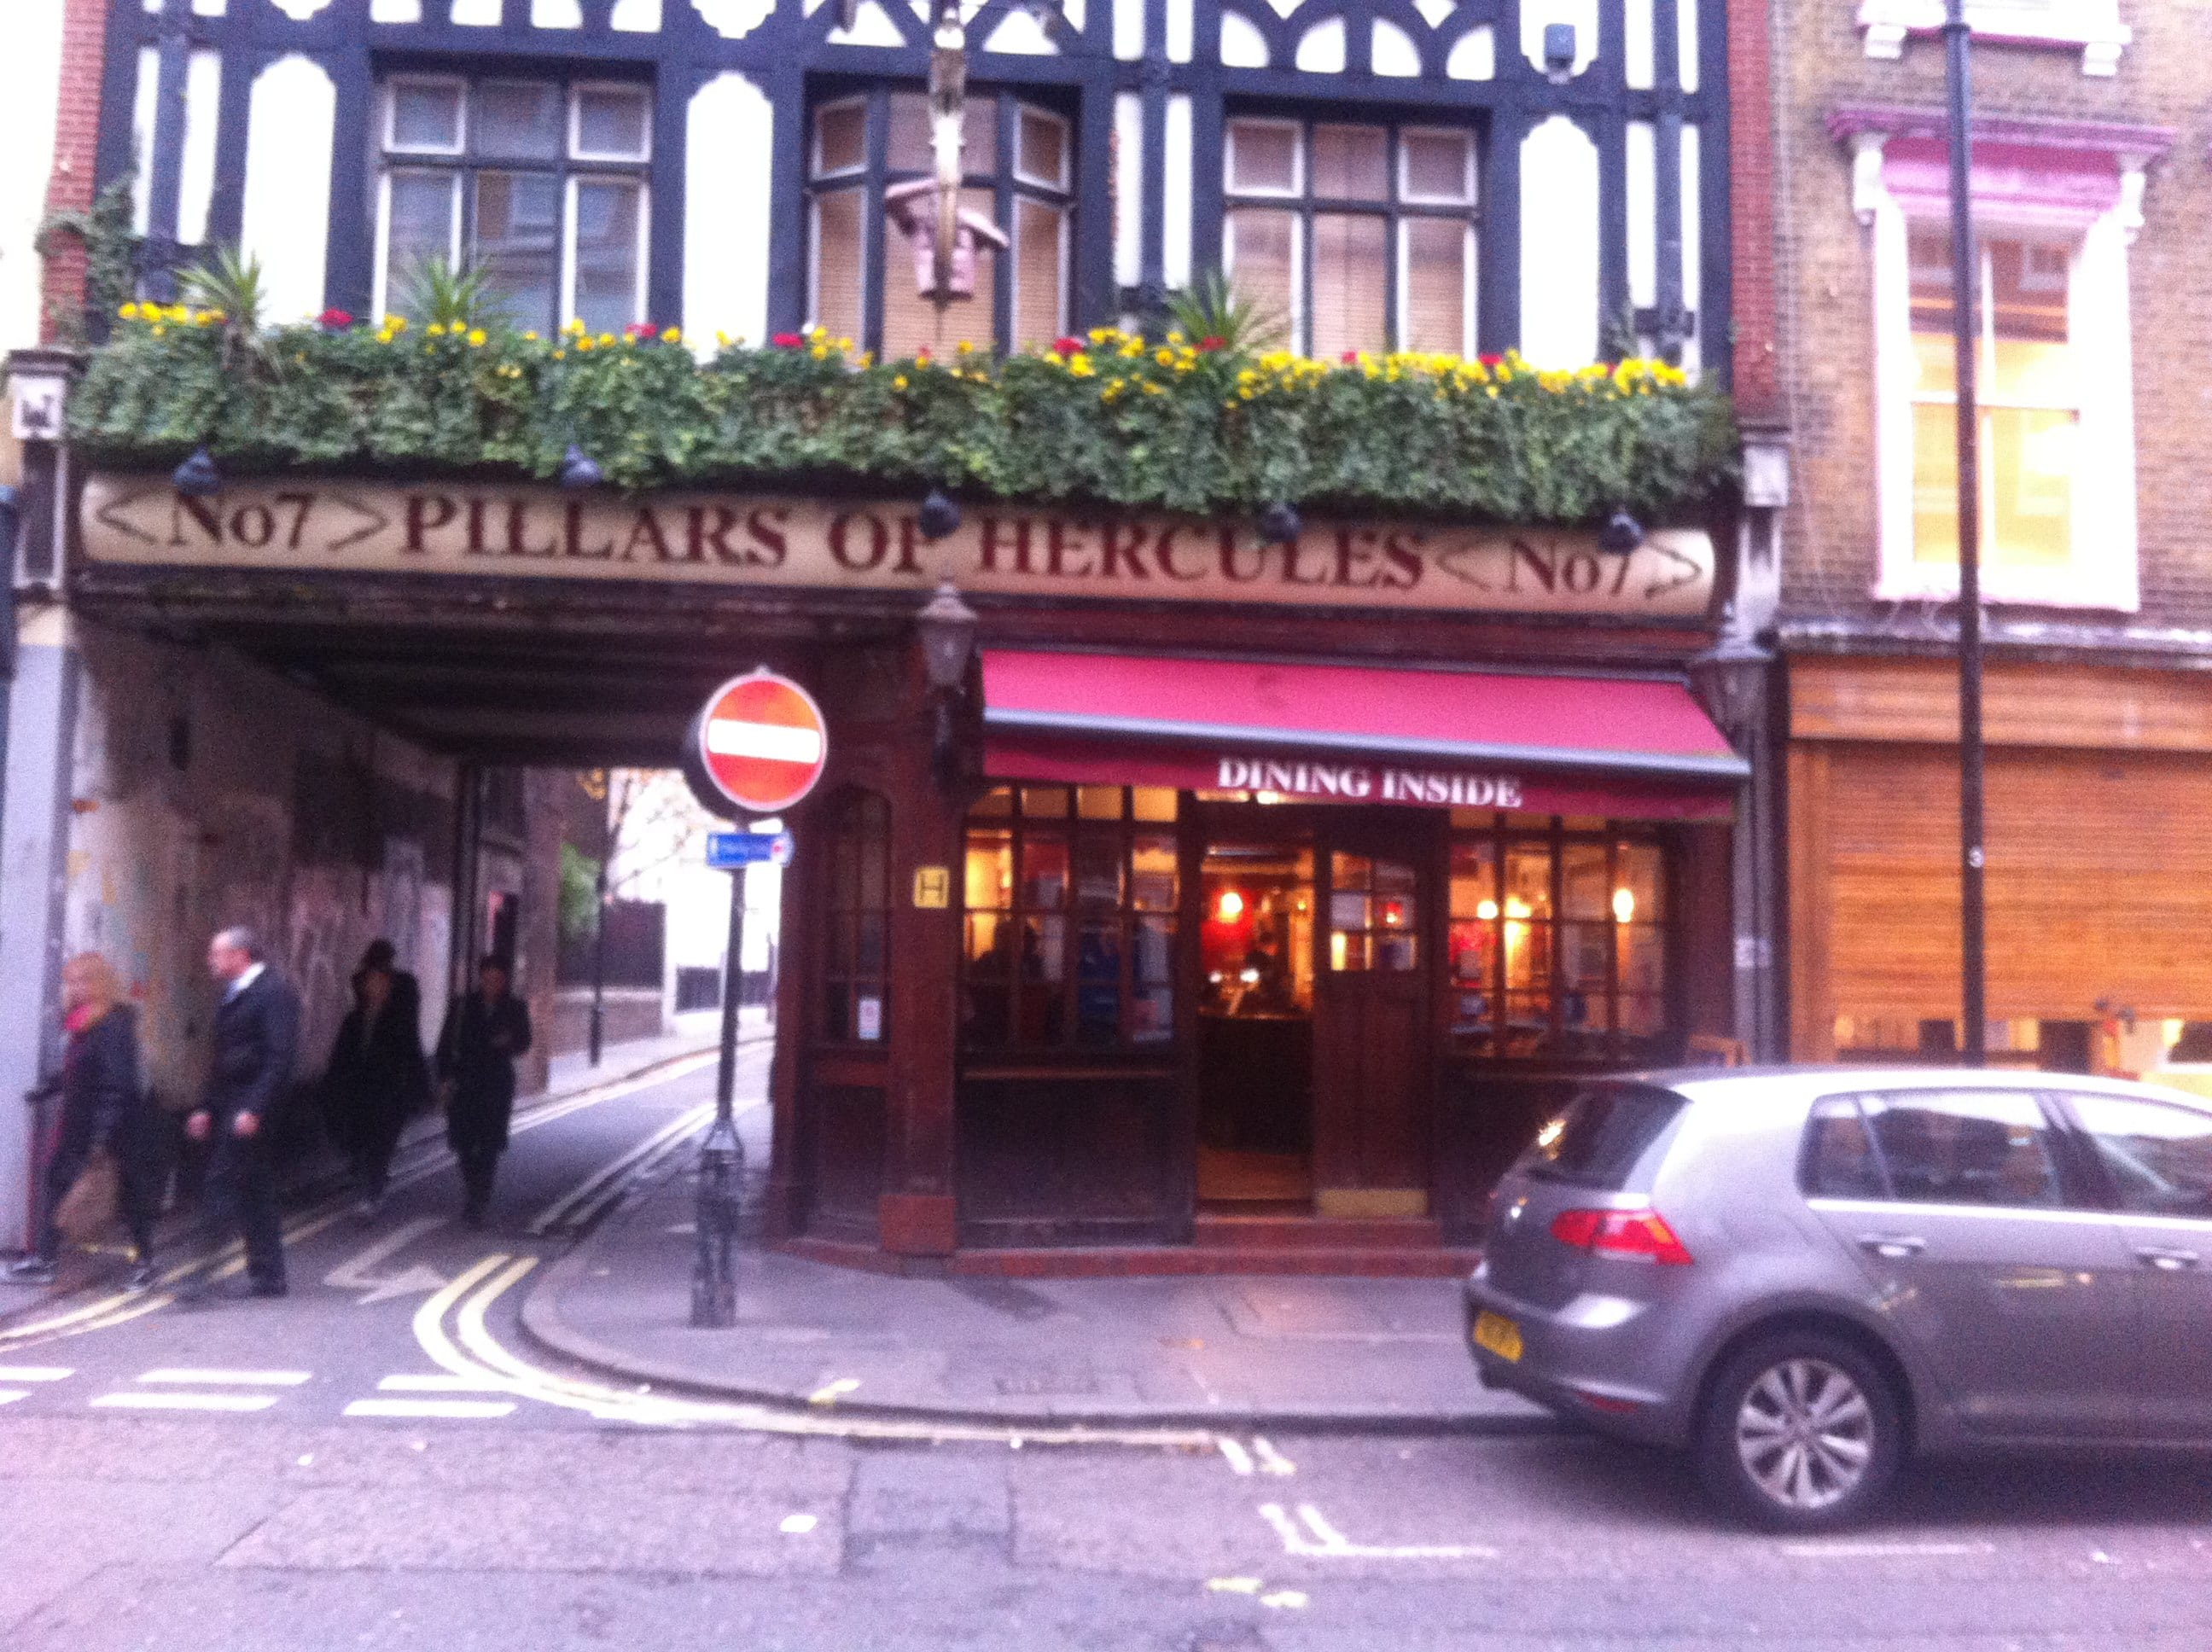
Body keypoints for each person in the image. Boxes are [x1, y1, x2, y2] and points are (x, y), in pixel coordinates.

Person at [5, 954, 161, 1291]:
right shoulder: (82, 1022)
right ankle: (44, 1262)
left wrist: (101, 1139)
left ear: (100, 983)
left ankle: (146, 1264)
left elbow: (117, 1084)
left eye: (82, 980)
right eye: (70, 980)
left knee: (131, 1195)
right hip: (78, 1126)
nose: (74, 988)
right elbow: (81, 1070)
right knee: (56, 1186)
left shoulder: (114, 1025)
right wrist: (48, 1088)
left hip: (115, 1129)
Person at [185, 926, 301, 1299]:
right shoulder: (234, 994)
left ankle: (201, 1276)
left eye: (217, 954)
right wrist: (205, 1106)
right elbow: (220, 1059)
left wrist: (255, 1108)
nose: (211, 961)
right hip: (229, 1105)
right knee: (255, 1189)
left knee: (220, 1182)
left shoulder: (273, 993)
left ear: (241, 955)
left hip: (252, 1108)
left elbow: (279, 1057)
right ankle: (270, 1276)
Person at [320, 939, 429, 1215]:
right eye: (370, 982)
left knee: (381, 1146)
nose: (374, 987)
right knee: (362, 1144)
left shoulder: (398, 1019)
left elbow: (411, 1049)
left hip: (389, 1094)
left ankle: (372, 1194)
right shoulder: (354, 1021)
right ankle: (368, 1185)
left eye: (381, 983)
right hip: (359, 1093)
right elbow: (341, 1058)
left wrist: (420, 1085)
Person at [436, 955, 533, 1228]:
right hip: (465, 1084)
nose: (492, 985)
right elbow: (446, 1044)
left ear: (504, 981)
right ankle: (473, 1191)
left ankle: (481, 1195)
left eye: (497, 980)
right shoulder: (463, 1006)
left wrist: (509, 1041)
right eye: (487, 979)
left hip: (496, 1086)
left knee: (489, 1144)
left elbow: (525, 1042)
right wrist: (444, 1078)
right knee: (465, 1143)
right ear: (481, 978)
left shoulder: (515, 1008)